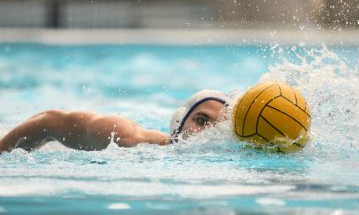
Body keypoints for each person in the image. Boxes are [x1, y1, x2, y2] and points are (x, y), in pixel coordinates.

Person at [0, 90, 230, 152]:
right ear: (178, 121)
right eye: (201, 120)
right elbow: (49, 121)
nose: (207, 133)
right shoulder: (125, 136)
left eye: (217, 128)